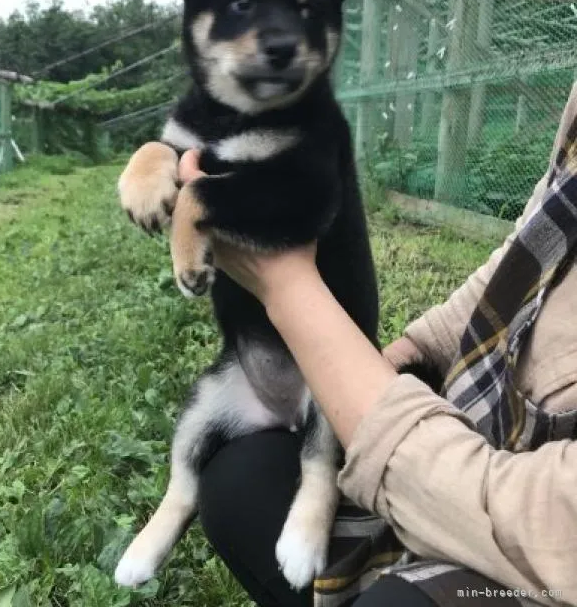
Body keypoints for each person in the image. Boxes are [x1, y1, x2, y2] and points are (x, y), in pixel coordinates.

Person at [175, 80, 577, 607]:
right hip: (493, 423)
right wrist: (394, 360)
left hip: (548, 555)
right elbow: (531, 254)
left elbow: (553, 526)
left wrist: (284, 288)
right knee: (238, 482)